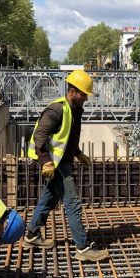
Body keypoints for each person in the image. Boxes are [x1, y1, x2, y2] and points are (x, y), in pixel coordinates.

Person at [24, 69, 109, 261]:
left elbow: (67, 138)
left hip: (62, 161)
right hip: (54, 162)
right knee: (72, 203)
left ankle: (31, 235)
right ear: (72, 92)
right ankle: (83, 248)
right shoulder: (57, 110)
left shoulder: (75, 110)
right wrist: (46, 162)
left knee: (49, 198)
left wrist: (78, 154)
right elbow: (39, 136)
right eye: (84, 94)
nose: (86, 98)